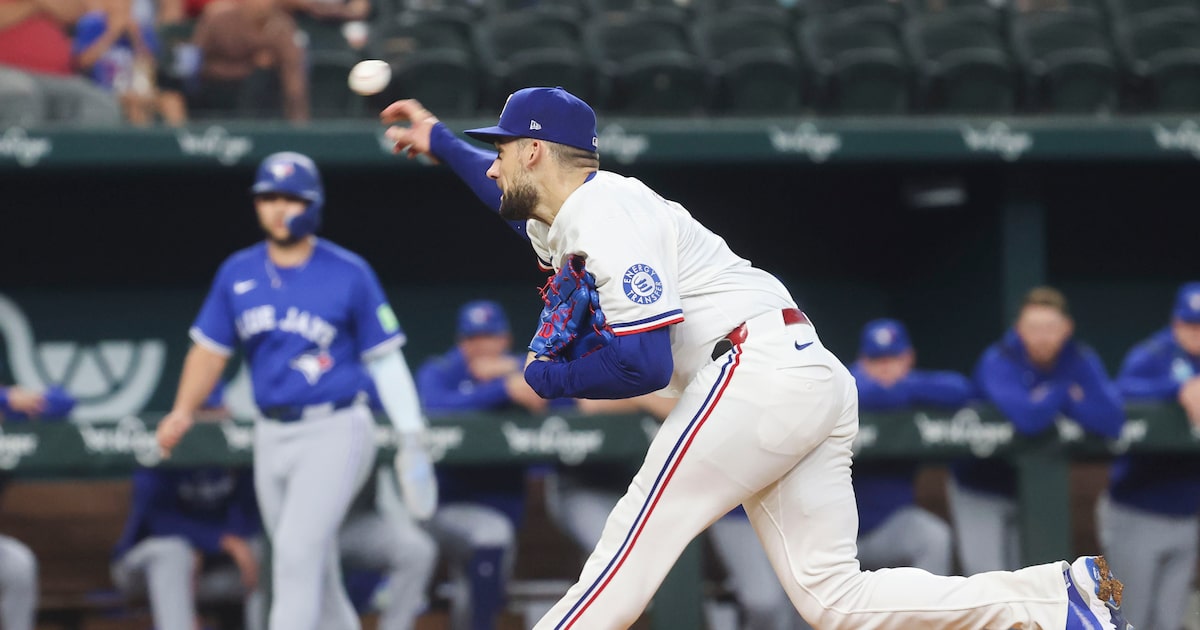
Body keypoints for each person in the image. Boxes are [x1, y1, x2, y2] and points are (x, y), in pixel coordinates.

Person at [379, 87, 1131, 629]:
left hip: (750, 371)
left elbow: (639, 369)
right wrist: (440, 139)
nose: (497, 163)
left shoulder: (604, 212)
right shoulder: (572, 209)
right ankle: (1052, 599)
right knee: (835, 600)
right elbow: (501, 194)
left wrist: (547, 378)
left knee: (627, 548)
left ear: (535, 149)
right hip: (800, 373)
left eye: (505, 148)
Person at [154, 151, 437, 630]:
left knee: (292, 554)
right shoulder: (237, 272)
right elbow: (208, 351)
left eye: (290, 198)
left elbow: (385, 359)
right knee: (315, 569)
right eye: (268, 197)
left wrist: (411, 433)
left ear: (313, 203)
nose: (279, 208)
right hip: (271, 433)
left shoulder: (349, 271)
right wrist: (182, 409)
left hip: (336, 427)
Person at [951, 287, 1125, 575]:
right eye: (1033, 328)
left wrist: (1048, 395)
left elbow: (1112, 419)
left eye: (1051, 327)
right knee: (988, 583)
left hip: (1032, 489)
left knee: (1032, 580)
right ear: (1019, 328)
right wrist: (1066, 391)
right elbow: (1029, 420)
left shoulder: (1078, 358)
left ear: (1067, 328)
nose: (1042, 336)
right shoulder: (999, 358)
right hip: (979, 484)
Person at [415, 299, 549, 630]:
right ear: (461, 343)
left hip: (505, 509)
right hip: (442, 506)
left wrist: (515, 368)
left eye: (489, 336)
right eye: (472, 338)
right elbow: (433, 407)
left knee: (478, 589)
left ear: (504, 339)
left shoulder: (523, 371)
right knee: (490, 540)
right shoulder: (440, 371)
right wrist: (501, 389)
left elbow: (564, 393)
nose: (481, 345)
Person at [1097, 281, 1200, 630]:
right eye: (1191, 324)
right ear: (1175, 322)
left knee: (1169, 622)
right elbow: (1119, 392)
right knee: (1128, 619)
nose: (1197, 332)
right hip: (1136, 510)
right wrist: (1176, 389)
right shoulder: (1152, 354)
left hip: (1187, 514)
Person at [850, 318, 964, 576]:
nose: (885, 368)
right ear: (862, 361)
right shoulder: (843, 383)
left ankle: (930, 616)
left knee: (934, 536)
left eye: (893, 359)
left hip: (889, 525)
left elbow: (959, 389)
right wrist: (899, 392)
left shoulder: (911, 385)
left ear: (909, 357)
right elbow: (860, 389)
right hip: (833, 534)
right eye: (876, 361)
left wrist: (903, 387)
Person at [0, 385, 75, 630]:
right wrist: (5, 397)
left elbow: (65, 403)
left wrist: (27, 400)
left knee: (18, 564)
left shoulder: (9, 428)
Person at [0, 0, 121, 126]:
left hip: (59, 76)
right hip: (7, 72)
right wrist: (41, 5)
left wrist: (28, 6)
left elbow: (73, 12)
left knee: (100, 104)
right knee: (19, 95)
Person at [71, 0, 187, 125]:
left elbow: (152, 65)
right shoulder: (92, 25)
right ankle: (142, 142)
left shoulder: (141, 29)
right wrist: (112, 33)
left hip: (139, 88)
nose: (123, 5)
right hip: (103, 90)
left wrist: (136, 37)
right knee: (134, 102)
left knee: (173, 101)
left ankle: (179, 141)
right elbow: (83, 62)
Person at [189, 0, 308, 122]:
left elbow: (293, 73)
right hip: (214, 85)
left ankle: (249, 128)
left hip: (255, 94)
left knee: (262, 74)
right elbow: (195, 55)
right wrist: (247, 64)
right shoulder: (220, 20)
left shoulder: (283, 27)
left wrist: (298, 119)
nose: (261, 4)